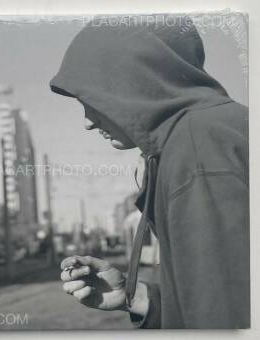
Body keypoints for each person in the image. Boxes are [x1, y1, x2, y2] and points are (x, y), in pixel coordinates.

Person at [49, 15, 249, 329]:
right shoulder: (204, 133)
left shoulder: (197, 151)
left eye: (92, 98)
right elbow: (226, 301)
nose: (87, 121)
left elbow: (227, 323)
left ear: (133, 82)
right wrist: (136, 297)